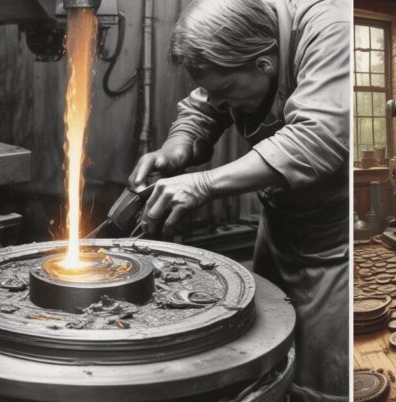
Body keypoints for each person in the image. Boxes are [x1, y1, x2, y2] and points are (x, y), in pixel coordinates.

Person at [128, 0, 349, 400]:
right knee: (271, 362)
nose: (222, 104)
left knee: (324, 380)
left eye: (228, 92)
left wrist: (203, 184)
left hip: (338, 243)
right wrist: (178, 147)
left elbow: (318, 137)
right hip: (281, 226)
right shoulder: (243, 36)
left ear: (264, 65)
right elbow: (204, 105)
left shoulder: (332, 30)